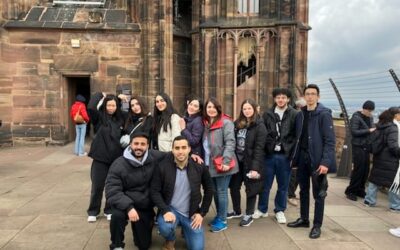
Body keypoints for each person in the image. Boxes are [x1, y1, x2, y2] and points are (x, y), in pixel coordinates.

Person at [287, 84, 336, 239]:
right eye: (307, 94)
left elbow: (330, 141)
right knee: (303, 191)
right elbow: (298, 137)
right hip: (302, 158)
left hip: (317, 160)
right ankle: (304, 219)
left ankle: (317, 225)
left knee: (319, 194)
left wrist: (325, 163)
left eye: (313, 94)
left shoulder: (324, 114)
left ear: (318, 97)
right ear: (304, 96)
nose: (310, 96)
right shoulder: (300, 114)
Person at [151, 136, 213, 250]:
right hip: (171, 210)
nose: (180, 151)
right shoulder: (162, 166)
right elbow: (154, 191)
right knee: (165, 227)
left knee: (197, 248)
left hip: (191, 212)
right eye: (177, 148)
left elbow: (209, 189)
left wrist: (202, 213)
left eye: (184, 147)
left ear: (189, 149)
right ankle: (170, 239)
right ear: (172, 150)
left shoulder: (199, 166)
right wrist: (164, 211)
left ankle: (186, 230)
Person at [105, 132, 165, 250]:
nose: (139, 147)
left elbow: (174, 154)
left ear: (148, 146)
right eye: (136, 143)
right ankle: (117, 245)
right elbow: (112, 190)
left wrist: (192, 155)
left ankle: (142, 230)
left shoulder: (153, 157)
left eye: (143, 144)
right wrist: (129, 207)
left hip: (144, 205)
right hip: (125, 203)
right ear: (130, 144)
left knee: (143, 245)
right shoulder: (119, 164)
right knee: (117, 216)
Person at [254, 88, 298, 224]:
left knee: (283, 186)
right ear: (274, 99)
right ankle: (262, 209)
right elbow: (262, 133)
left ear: (288, 99)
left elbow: (297, 136)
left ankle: (279, 210)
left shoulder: (295, 114)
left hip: (285, 155)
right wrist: (269, 144)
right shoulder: (267, 114)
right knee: (265, 185)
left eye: (283, 97)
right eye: (278, 97)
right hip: (270, 155)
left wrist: (291, 153)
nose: (280, 100)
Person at [87, 92, 126, 223]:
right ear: (105, 105)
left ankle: (109, 210)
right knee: (97, 186)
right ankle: (93, 211)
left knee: (113, 186)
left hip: (115, 158)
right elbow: (91, 107)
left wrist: (121, 99)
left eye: (113, 105)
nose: (111, 108)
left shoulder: (121, 119)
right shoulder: (99, 117)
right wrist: (99, 94)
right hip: (100, 158)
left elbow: (133, 113)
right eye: (108, 105)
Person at [228, 99, 267, 227]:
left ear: (255, 109)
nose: (247, 111)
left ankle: (249, 214)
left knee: (251, 189)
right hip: (238, 162)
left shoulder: (260, 125)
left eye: (249, 108)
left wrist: (255, 168)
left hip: (251, 163)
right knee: (234, 187)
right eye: (244, 108)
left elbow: (259, 148)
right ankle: (237, 210)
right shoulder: (238, 123)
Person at [202, 97, 239, 232]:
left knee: (222, 192)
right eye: (208, 107)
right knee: (216, 192)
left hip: (223, 164)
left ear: (218, 108)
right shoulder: (207, 123)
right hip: (210, 164)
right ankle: (219, 215)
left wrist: (225, 161)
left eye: (213, 107)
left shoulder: (226, 122)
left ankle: (223, 220)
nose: (211, 109)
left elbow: (230, 142)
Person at [364, 107, 400, 211]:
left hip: (379, 156)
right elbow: (393, 145)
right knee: (394, 181)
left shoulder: (381, 125)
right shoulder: (393, 127)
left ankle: (369, 201)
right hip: (390, 158)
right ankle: (395, 206)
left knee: (374, 179)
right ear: (395, 115)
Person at [344, 100, 376, 201]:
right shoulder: (356, 117)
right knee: (358, 169)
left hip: (366, 146)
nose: (369, 112)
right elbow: (354, 131)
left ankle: (360, 189)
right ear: (364, 108)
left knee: (365, 170)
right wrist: (368, 130)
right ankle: (351, 191)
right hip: (358, 146)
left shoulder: (370, 117)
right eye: (368, 110)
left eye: (371, 111)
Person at [288, 97, 307, 206]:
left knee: (298, 175)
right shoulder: (296, 116)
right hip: (295, 149)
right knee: (293, 175)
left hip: (301, 149)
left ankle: (292, 194)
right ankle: (290, 195)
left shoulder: (302, 116)